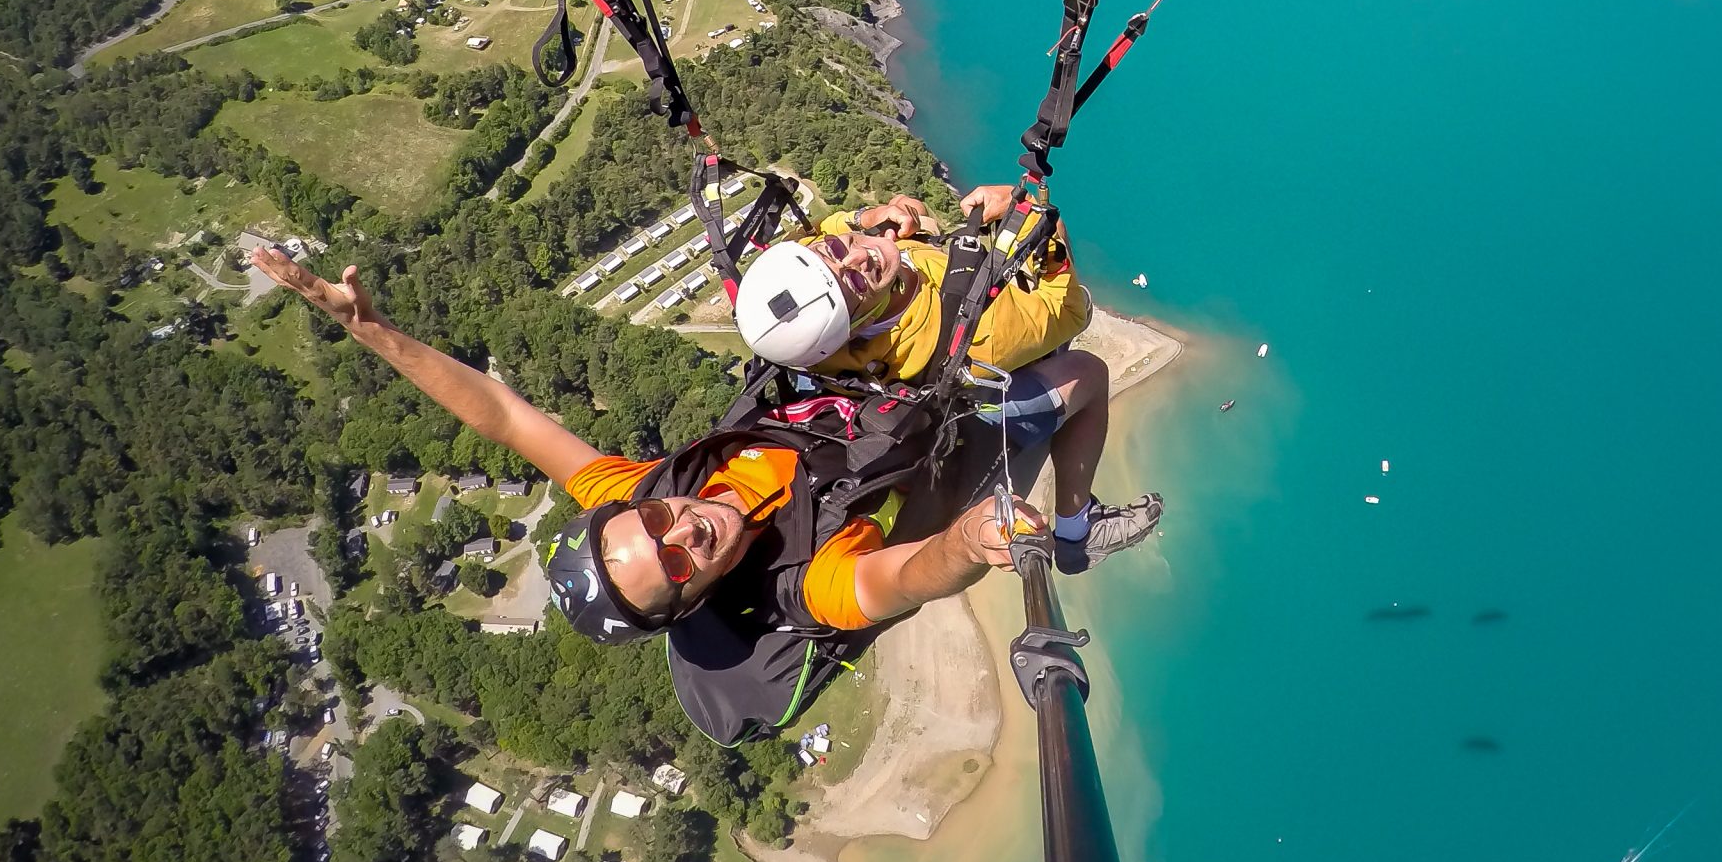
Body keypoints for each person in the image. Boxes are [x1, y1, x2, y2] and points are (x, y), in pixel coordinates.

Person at [250, 244, 1034, 741]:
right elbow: (899, 580)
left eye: (653, 521)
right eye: (678, 566)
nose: (684, 530)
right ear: (694, 601)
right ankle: (1073, 526)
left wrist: (372, 331)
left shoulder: (650, 492)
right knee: (1079, 378)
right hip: (942, 441)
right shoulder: (801, 582)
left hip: (846, 400)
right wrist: (969, 546)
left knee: (860, 240)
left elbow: (505, 418)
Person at [735, 182, 1162, 572]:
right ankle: (1077, 531)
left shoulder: (814, 306)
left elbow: (822, 234)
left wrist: (869, 218)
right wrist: (1036, 212)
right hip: (968, 400)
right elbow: (1067, 312)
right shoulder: (975, 335)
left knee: (878, 226)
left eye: (836, 248)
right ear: (856, 323)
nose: (861, 253)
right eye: (854, 279)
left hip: (915, 368)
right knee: (1087, 372)